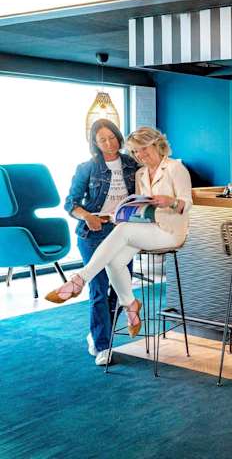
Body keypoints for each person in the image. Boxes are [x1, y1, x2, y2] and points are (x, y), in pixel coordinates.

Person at [46, 127, 193, 341]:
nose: (140, 155)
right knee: (114, 262)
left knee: (123, 230)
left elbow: (187, 204)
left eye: (143, 149)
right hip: (147, 229)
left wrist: (171, 201)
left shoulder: (175, 168)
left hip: (170, 232)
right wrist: (121, 213)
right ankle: (131, 305)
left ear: (157, 144)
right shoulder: (140, 173)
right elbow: (142, 208)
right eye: (135, 151)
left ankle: (78, 280)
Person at [61, 119, 138, 366]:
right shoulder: (87, 168)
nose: (109, 143)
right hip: (93, 233)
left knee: (120, 289)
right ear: (95, 143)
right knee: (98, 289)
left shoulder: (132, 164)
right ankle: (103, 345)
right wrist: (88, 216)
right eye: (102, 140)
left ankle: (99, 333)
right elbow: (70, 203)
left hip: (123, 232)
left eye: (112, 137)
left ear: (118, 137)